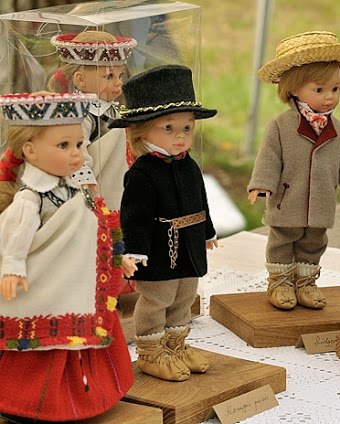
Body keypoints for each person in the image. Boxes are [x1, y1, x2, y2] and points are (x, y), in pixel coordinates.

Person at [0, 92, 135, 421]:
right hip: (47, 286)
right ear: (30, 150)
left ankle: (83, 397)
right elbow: (14, 240)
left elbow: (94, 229)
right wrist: (13, 269)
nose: (77, 154)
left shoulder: (73, 189)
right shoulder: (31, 199)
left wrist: (118, 259)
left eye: (79, 144)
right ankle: (30, 402)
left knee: (79, 341)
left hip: (76, 284)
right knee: (43, 347)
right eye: (64, 146)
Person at [109, 64, 218, 381]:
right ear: (141, 131)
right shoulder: (142, 172)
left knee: (184, 296)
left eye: (187, 128)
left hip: (189, 246)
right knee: (157, 299)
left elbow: (201, 200)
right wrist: (135, 250)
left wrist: (207, 231)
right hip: (159, 250)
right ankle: (151, 350)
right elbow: (134, 216)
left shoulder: (190, 166)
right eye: (168, 128)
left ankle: (175, 344)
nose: (181, 136)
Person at [247, 31, 340, 311]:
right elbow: (269, 158)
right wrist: (262, 184)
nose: (330, 97)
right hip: (288, 199)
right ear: (293, 89)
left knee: (314, 242)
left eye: (336, 89)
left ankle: (306, 282)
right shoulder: (280, 126)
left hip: (321, 202)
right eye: (319, 90)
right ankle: (280, 282)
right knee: (282, 240)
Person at [49, 30, 137, 211]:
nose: (118, 83)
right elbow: (77, 150)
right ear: (80, 80)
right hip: (99, 183)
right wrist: (84, 179)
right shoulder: (82, 115)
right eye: (109, 76)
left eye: (120, 76)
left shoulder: (112, 111)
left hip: (117, 178)